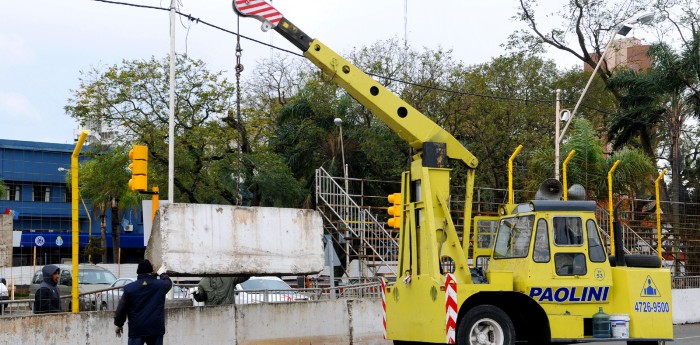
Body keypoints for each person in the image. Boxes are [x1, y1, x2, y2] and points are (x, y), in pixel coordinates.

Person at [114, 259, 172, 345]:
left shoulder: (129, 288)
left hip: (136, 329)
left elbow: (122, 308)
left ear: (138, 272)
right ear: (151, 272)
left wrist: (119, 324)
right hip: (155, 329)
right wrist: (163, 274)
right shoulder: (160, 285)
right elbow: (168, 283)